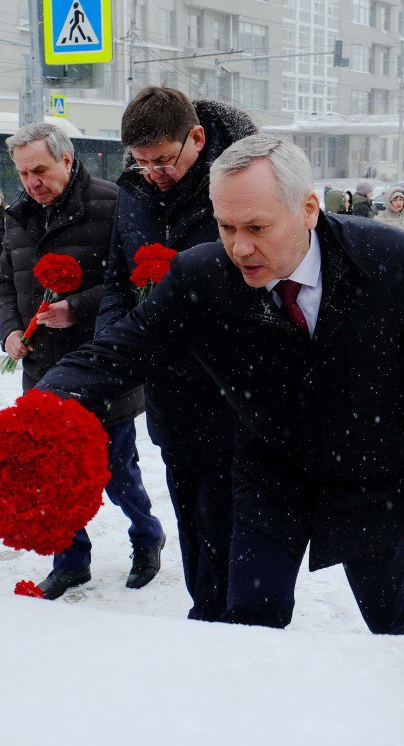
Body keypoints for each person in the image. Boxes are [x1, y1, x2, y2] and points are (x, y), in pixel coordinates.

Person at [0, 134, 404, 737]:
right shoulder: (202, 272)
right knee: (247, 616)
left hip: (367, 473)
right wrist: (17, 428)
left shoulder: (385, 257)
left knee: (392, 613)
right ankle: (246, 723)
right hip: (268, 476)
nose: (239, 247)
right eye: (225, 226)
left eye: (256, 226)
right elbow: (116, 353)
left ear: (308, 209)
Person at [97, 86, 257, 621]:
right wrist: (112, 357)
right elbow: (118, 283)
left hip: (234, 392)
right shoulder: (134, 193)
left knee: (228, 523)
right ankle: (206, 612)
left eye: (164, 160)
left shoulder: (239, 186)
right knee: (191, 518)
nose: (154, 173)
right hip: (171, 395)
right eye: (141, 162)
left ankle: (232, 622)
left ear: (198, 138)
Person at [0, 121, 164, 599]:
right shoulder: (18, 215)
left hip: (102, 367)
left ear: (67, 160)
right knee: (52, 474)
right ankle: (70, 560)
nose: (31, 182)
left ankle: (147, 536)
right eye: (23, 172)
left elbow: (135, 281)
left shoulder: (114, 204)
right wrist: (9, 330)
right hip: (42, 370)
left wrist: (79, 307)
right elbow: (5, 281)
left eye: (40, 170)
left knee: (116, 471)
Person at [375, 185, 404, 253]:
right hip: (391, 259)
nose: (398, 203)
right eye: (395, 200)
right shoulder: (380, 219)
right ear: (389, 202)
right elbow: (378, 243)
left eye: (401, 199)